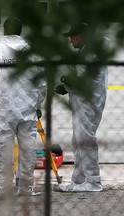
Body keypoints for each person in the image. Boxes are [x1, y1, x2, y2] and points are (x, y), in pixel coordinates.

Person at [0, 17, 46, 197]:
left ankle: (3, 188)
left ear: (4, 31)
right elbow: (42, 82)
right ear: (21, 32)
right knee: (28, 149)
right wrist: (38, 103)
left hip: (4, 110)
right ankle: (26, 188)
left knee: (3, 149)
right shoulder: (33, 53)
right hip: (28, 109)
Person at [56, 23, 108, 192]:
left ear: (81, 36)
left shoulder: (90, 54)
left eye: (73, 36)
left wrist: (64, 80)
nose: (71, 40)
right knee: (78, 140)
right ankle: (79, 180)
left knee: (85, 140)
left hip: (87, 103)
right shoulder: (86, 52)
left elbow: (82, 80)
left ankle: (93, 181)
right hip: (83, 102)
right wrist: (66, 88)